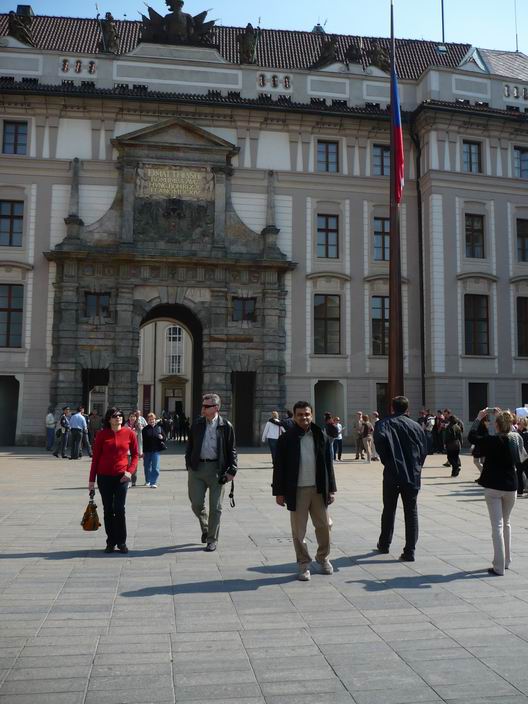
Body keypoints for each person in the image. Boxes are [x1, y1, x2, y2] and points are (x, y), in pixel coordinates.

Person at [272, 400, 336, 581]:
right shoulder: (286, 438)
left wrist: (331, 489)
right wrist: (279, 492)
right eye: (300, 415)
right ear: (294, 417)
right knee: (298, 531)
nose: (304, 417)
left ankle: (323, 558)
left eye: (307, 414)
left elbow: (328, 464)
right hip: (297, 490)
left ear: (312, 415)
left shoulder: (320, 435)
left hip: (318, 489)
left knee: (324, 526)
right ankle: (303, 564)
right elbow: (279, 467)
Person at [468, 408, 527, 575]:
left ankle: (499, 566)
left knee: (497, 527)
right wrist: (504, 417)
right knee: (506, 523)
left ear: (497, 425)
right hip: (511, 485)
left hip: (493, 486)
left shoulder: (491, 440)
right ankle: (507, 561)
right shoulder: (515, 438)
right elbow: (513, 431)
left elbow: (472, 437)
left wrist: (479, 417)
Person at [375, 396, 428, 562]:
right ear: (407, 409)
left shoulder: (382, 424)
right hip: (412, 474)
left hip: (392, 473)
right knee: (411, 511)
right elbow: (424, 449)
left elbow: (380, 445)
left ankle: (384, 544)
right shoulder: (416, 426)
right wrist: (417, 467)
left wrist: (388, 462)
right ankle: (410, 550)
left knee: (389, 509)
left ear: (392, 408)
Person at [185, 393, 237, 552]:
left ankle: (212, 539)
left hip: (217, 470)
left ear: (216, 408)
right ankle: (206, 527)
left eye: (206, 406)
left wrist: (232, 470)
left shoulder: (226, 426)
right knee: (196, 504)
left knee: (216, 507)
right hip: (197, 469)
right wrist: (189, 464)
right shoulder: (197, 424)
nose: (203, 408)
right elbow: (190, 445)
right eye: (203, 405)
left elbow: (232, 450)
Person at [88, 407, 138, 553]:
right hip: (104, 477)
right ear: (109, 419)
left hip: (122, 476)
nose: (118, 418)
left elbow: (135, 455)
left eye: (120, 415)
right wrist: (91, 481)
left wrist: (130, 472)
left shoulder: (130, 433)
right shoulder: (102, 435)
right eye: (115, 416)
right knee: (108, 509)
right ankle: (111, 541)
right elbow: (95, 458)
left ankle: (121, 542)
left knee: (119, 509)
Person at [142, 412, 166, 488]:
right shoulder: (145, 429)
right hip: (147, 451)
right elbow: (143, 441)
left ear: (155, 420)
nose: (151, 421)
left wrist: (162, 437)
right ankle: (148, 480)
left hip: (156, 451)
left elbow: (164, 438)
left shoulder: (159, 428)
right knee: (147, 467)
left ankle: (153, 482)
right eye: (150, 419)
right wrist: (142, 452)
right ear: (148, 420)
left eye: (153, 419)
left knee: (155, 467)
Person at [517, 417, 528, 496]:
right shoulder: (518, 432)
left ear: (524, 424)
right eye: (518, 423)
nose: (518, 425)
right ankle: (520, 491)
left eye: (520, 423)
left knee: (526, 473)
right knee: (519, 473)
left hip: (525, 456)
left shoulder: (526, 433)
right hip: (519, 456)